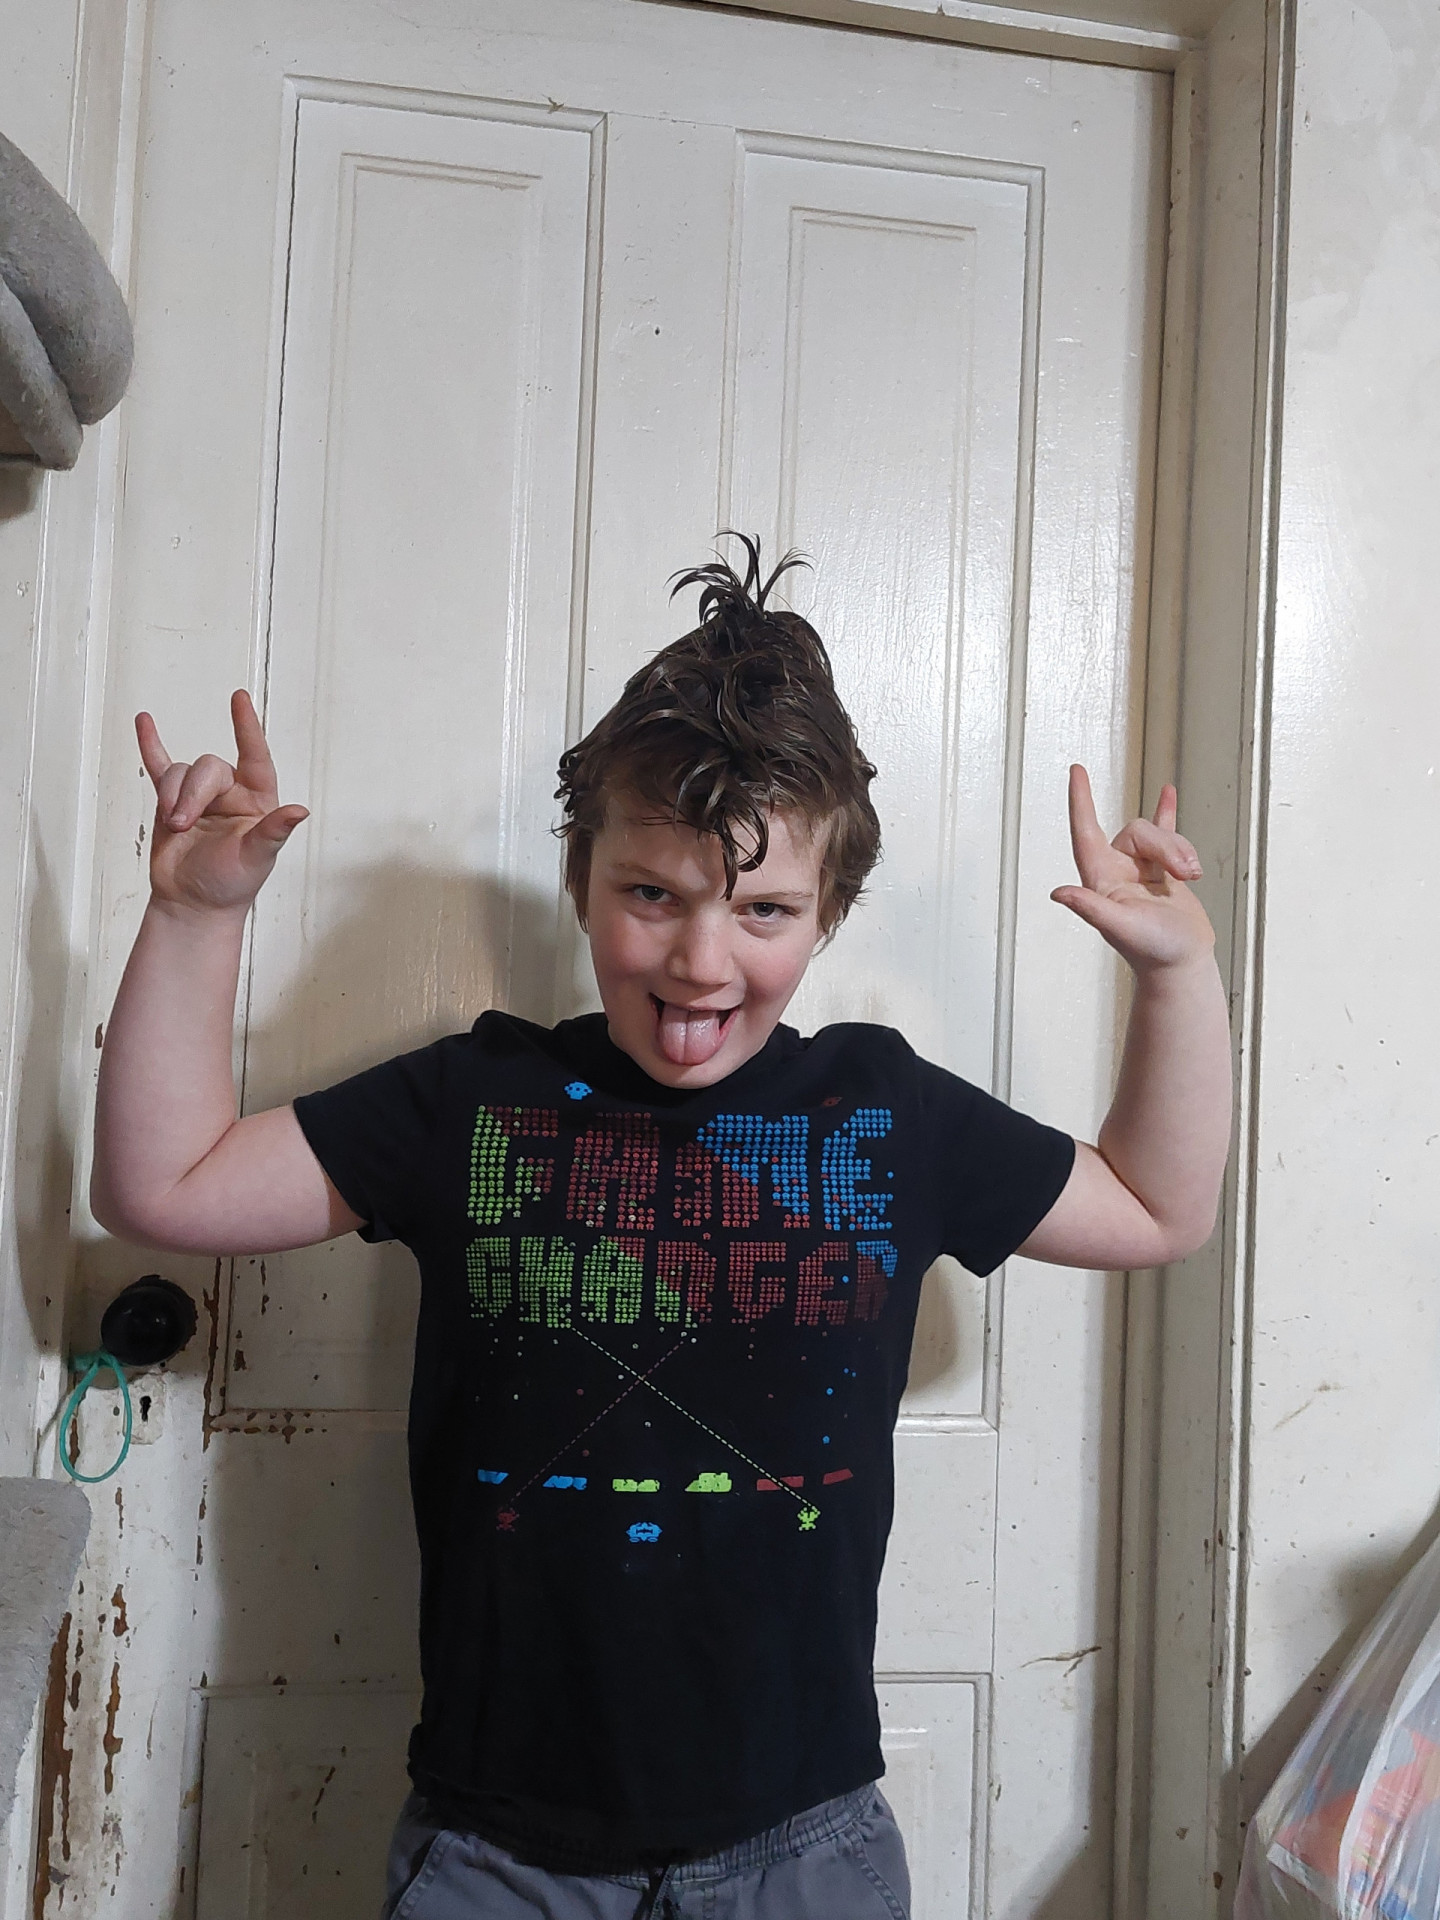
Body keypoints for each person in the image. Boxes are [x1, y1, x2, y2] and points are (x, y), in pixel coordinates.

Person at [90, 538, 1232, 1920]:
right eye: (653, 895)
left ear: (827, 916)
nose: (702, 960)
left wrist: (1179, 974)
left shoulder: (886, 1113)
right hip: (498, 1850)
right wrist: (194, 914)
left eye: (764, 910)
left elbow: (1158, 1207)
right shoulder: (476, 1100)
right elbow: (166, 1187)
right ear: (582, 879)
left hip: (803, 1841)